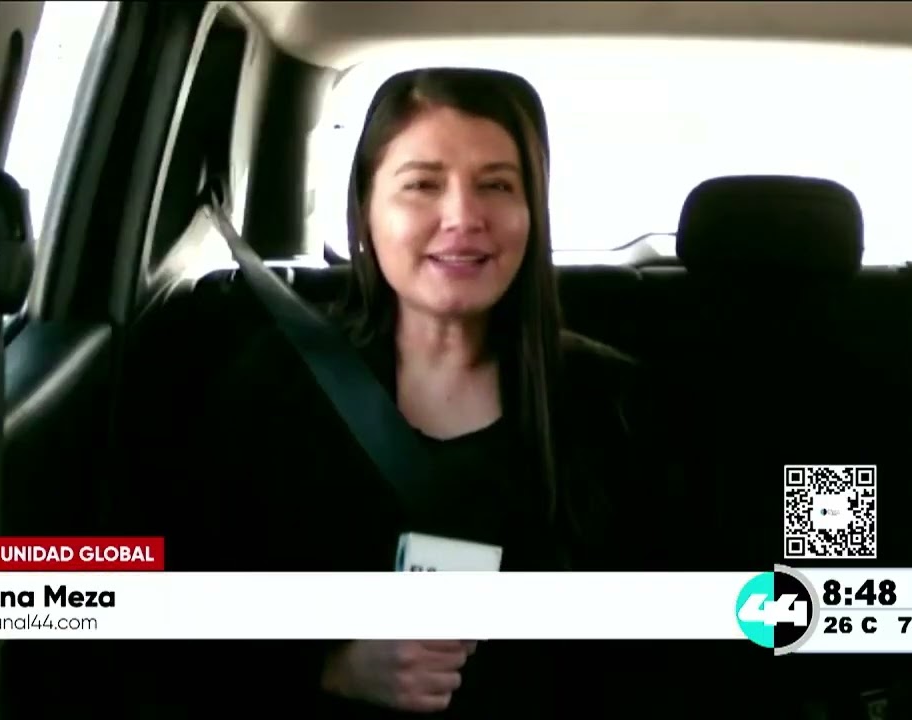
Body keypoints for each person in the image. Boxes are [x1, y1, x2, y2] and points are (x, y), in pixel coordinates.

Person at [153, 67, 664, 717]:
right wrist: (328, 667)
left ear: (532, 212)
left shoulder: (618, 403)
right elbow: (172, 614)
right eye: (422, 184)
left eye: (496, 185)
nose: (463, 217)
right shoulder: (275, 386)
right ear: (366, 209)